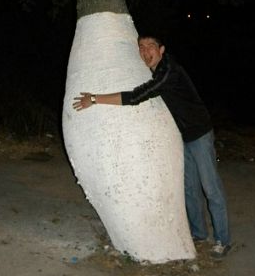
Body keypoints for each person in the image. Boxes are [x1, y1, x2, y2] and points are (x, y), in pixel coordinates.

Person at [73, 35, 231, 259]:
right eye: (141, 47)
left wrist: (95, 99)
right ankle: (199, 234)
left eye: (151, 47)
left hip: (199, 134)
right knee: (190, 189)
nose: (146, 52)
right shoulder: (157, 71)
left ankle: (223, 240)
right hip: (184, 136)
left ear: (162, 50)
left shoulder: (168, 72)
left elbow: (136, 96)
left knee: (211, 188)